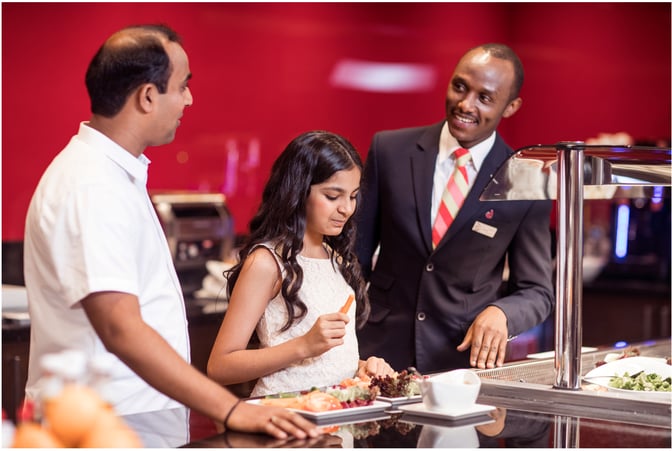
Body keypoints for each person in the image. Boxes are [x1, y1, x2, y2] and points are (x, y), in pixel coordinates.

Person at [22, 24, 318, 440]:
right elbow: (120, 328)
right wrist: (231, 409)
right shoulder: (91, 185)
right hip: (104, 423)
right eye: (182, 86)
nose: (189, 99)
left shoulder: (113, 175)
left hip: (132, 418)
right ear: (147, 96)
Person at [355, 43, 555, 373]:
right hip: (375, 356)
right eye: (459, 86)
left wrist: (503, 313)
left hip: (459, 367)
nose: (465, 104)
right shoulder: (389, 150)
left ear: (511, 106)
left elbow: (536, 291)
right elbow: (354, 258)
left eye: (485, 97)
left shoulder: (527, 180)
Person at [207, 131, 394, 396]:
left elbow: (326, 362)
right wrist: (303, 346)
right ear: (298, 191)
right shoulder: (267, 262)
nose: (346, 209)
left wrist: (362, 367)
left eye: (352, 196)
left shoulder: (337, 259)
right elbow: (220, 366)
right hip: (284, 416)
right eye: (332, 196)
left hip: (335, 417)